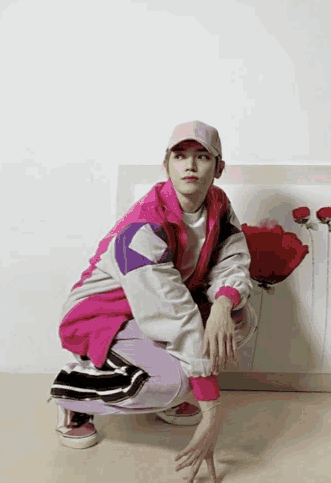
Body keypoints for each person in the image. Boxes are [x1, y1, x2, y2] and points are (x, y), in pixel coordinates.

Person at [48, 120, 256, 482]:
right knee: (172, 380)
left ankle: (168, 390)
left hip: (154, 308)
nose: (190, 165)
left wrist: (223, 304)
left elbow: (233, 259)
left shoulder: (218, 205)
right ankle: (74, 393)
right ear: (166, 165)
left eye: (202, 156)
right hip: (102, 316)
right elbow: (171, 314)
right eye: (180, 156)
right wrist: (211, 407)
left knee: (240, 316)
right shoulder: (143, 227)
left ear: (218, 167)